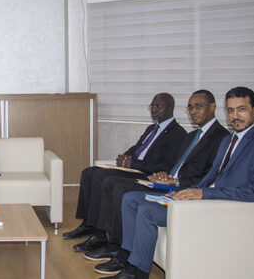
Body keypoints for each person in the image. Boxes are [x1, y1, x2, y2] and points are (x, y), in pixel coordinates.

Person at [99, 86, 254, 279]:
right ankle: (129, 266)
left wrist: (203, 193)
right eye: (231, 110)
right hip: (200, 199)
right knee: (132, 199)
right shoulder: (229, 140)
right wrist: (184, 190)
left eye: (241, 109)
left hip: (216, 207)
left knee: (146, 211)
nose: (235, 116)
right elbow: (210, 176)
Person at [87, 90, 230, 268]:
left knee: (119, 187)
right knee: (110, 183)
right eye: (190, 107)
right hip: (166, 182)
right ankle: (118, 249)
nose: (193, 111)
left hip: (183, 190)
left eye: (198, 106)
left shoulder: (222, 138)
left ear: (213, 107)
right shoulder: (192, 136)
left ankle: (121, 253)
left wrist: (176, 181)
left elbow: (209, 177)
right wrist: (165, 176)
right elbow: (176, 166)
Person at [63, 93, 186, 251]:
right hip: (133, 168)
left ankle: (101, 235)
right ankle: (89, 224)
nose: (153, 110)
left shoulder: (178, 134)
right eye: (152, 106)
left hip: (146, 174)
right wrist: (125, 157)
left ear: (169, 108)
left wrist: (133, 163)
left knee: (102, 177)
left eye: (157, 106)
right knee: (89, 173)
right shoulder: (152, 128)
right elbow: (137, 148)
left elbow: (166, 166)